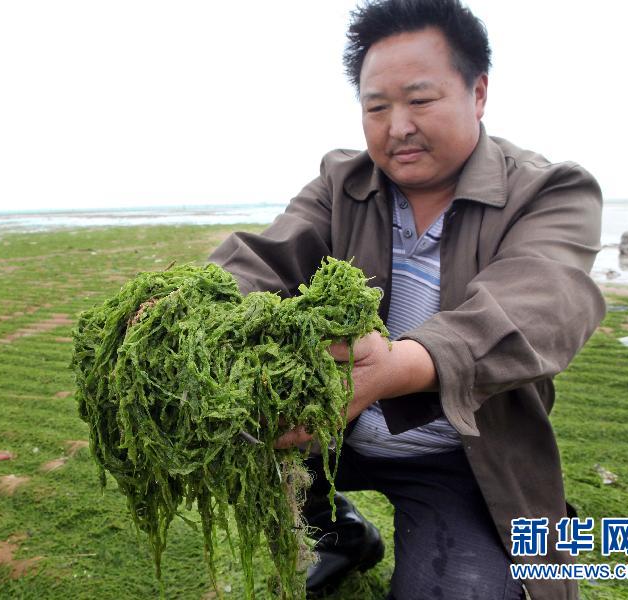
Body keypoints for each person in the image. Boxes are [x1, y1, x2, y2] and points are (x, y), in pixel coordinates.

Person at [207, 0, 605, 598]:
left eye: (420, 101)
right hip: (332, 431)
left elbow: (545, 301)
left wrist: (397, 367)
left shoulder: (549, 190)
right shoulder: (342, 183)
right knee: (215, 433)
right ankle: (339, 531)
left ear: (478, 92)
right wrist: (195, 306)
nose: (397, 127)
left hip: (463, 454)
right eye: (377, 107)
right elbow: (266, 257)